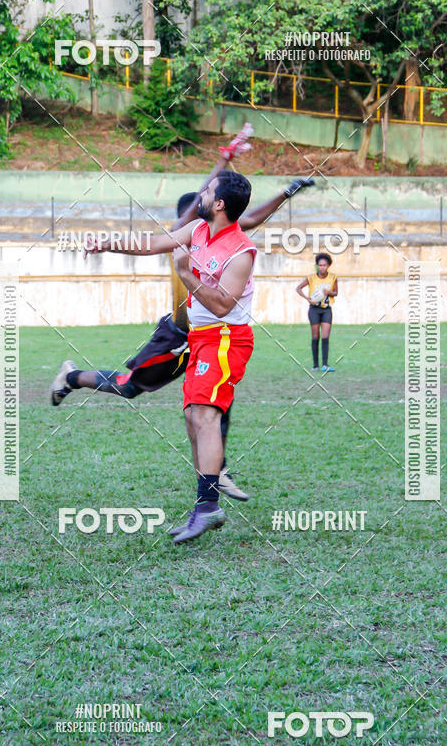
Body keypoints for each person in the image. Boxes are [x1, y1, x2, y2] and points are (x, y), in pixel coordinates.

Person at [50, 138, 315, 504]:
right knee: (130, 387)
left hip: (214, 337)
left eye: (209, 196)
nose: (203, 201)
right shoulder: (185, 234)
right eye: (199, 200)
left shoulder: (224, 239)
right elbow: (160, 234)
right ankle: (72, 376)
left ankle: (214, 476)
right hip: (177, 336)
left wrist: (284, 193)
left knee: (213, 407)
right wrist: (107, 242)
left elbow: (250, 218)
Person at [296, 252, 338, 372]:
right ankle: (315, 365)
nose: (322, 267)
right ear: (317, 265)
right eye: (320, 265)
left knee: (325, 336)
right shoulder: (311, 278)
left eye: (324, 265)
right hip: (314, 310)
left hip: (326, 310)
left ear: (328, 265)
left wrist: (328, 292)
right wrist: (307, 298)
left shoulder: (333, 277)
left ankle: (325, 365)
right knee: (315, 336)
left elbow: (336, 293)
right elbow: (298, 288)